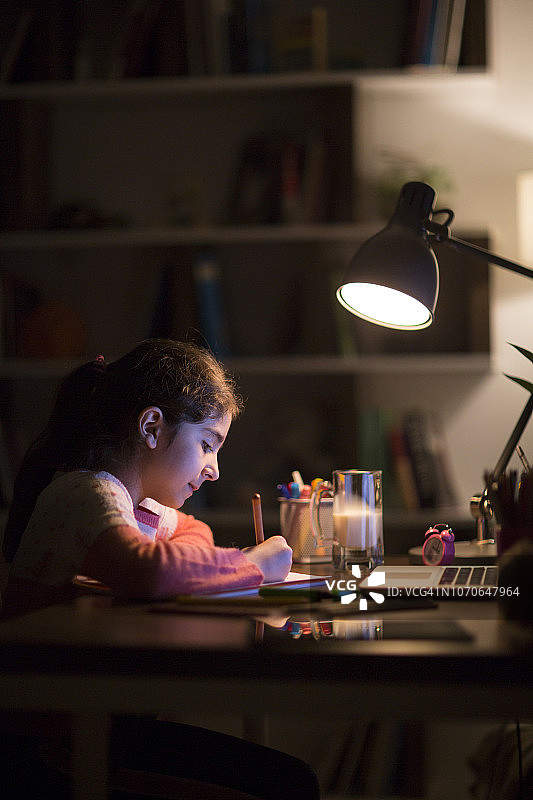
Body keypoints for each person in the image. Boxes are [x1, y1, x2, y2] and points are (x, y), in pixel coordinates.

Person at [0, 338, 320, 800]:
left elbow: (196, 531)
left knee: (292, 779)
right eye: (207, 444)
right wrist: (252, 564)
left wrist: (183, 559)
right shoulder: (85, 491)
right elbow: (148, 571)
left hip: (97, 724)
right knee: (286, 786)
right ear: (151, 427)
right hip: (48, 747)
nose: (214, 470)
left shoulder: (140, 506)